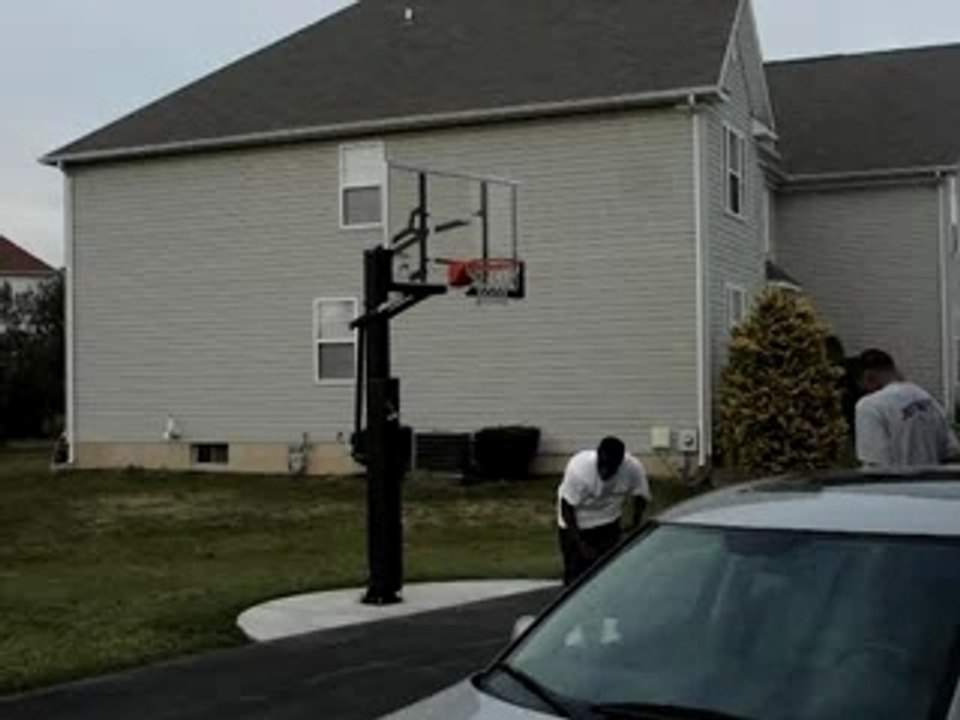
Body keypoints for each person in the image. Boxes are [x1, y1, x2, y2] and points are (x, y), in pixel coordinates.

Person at [557, 437, 650, 585]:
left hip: (608, 519)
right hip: (577, 521)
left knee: (608, 571)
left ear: (621, 462)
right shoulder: (579, 469)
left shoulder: (633, 469)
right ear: (598, 455)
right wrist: (580, 544)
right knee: (576, 575)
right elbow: (566, 508)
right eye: (602, 465)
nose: (605, 472)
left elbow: (640, 496)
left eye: (611, 467)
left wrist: (635, 524)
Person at [856, 349, 960, 467]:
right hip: (933, 477)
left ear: (869, 377)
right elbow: (952, 453)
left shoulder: (869, 406)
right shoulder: (925, 397)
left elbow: (875, 465)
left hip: (899, 478)